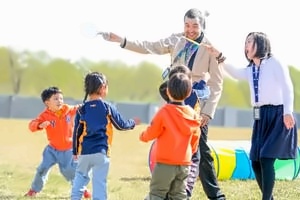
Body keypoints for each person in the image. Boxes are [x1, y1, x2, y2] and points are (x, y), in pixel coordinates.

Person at [103, 8, 225, 199]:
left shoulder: (210, 48)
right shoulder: (176, 39)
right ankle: (170, 191)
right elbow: (149, 46)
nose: (190, 30)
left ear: (202, 26)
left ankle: (201, 194)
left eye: (195, 26)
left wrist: (207, 113)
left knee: (198, 149)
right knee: (170, 142)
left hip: (196, 105)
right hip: (173, 97)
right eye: (187, 25)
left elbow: (217, 83)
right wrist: (122, 41)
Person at [206, 32, 298, 200]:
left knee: (266, 158)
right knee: (255, 160)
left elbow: (287, 87)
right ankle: (269, 198)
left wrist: (287, 112)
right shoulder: (251, 69)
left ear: (261, 44)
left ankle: (266, 198)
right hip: (260, 116)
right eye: (246, 42)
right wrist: (218, 55)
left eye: (250, 42)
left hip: (277, 114)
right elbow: (234, 73)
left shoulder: (274, 63)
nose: (246, 45)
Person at [71, 71, 139, 200]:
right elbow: (121, 125)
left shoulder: (82, 109)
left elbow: (76, 132)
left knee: (80, 177)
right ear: (102, 88)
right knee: (99, 183)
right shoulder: (107, 107)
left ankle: (74, 198)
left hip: (84, 153)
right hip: (101, 152)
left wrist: (75, 151)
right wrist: (132, 123)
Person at [140, 72, 201, 200]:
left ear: (167, 91)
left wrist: (143, 136)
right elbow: (195, 138)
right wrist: (191, 151)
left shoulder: (164, 112)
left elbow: (152, 131)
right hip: (184, 163)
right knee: (179, 195)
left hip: (165, 163)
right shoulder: (193, 114)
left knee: (157, 193)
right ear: (189, 93)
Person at [24, 86, 91, 198]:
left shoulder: (68, 110)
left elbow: (80, 108)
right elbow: (31, 126)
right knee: (42, 169)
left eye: (61, 98)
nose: (59, 101)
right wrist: (39, 125)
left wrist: (87, 105)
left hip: (68, 150)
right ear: (47, 103)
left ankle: (82, 189)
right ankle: (34, 190)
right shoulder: (44, 116)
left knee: (70, 172)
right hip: (52, 150)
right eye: (55, 99)